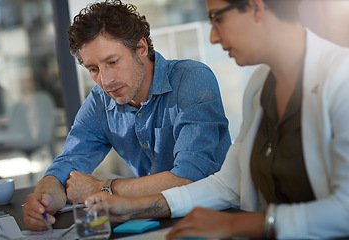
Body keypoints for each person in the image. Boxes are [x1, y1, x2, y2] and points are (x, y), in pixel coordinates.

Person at [84, 0, 349, 239]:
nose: (212, 37)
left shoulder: (341, 78)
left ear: (256, 7)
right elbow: (228, 184)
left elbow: (345, 210)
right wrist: (135, 207)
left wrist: (238, 225)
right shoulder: (260, 86)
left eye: (217, 18)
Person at [22, 0, 231, 231]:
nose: (105, 80)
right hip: (151, 221)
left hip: (216, 218)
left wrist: (102, 187)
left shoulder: (191, 79)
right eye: (93, 69)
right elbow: (67, 166)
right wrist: (44, 199)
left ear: (141, 48)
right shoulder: (101, 101)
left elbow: (189, 178)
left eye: (112, 62)